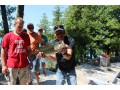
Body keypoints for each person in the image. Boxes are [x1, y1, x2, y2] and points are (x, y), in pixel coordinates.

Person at [1, 17, 32, 85]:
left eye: (22, 26)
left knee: (23, 84)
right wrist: (3, 66)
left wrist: (31, 62)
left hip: (24, 64)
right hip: (12, 65)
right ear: (14, 25)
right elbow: (3, 52)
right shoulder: (7, 36)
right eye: (19, 26)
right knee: (12, 84)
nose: (20, 28)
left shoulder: (26, 36)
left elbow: (29, 50)